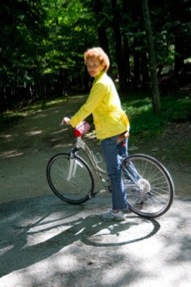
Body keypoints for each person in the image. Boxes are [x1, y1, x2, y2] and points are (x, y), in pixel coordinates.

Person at [62, 47, 130, 221]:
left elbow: (88, 107)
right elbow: (103, 107)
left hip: (110, 131)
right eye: (88, 65)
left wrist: (74, 121)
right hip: (120, 125)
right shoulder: (105, 80)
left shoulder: (99, 84)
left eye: (95, 64)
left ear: (102, 64)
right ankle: (144, 189)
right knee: (125, 163)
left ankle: (118, 211)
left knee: (114, 172)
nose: (91, 68)